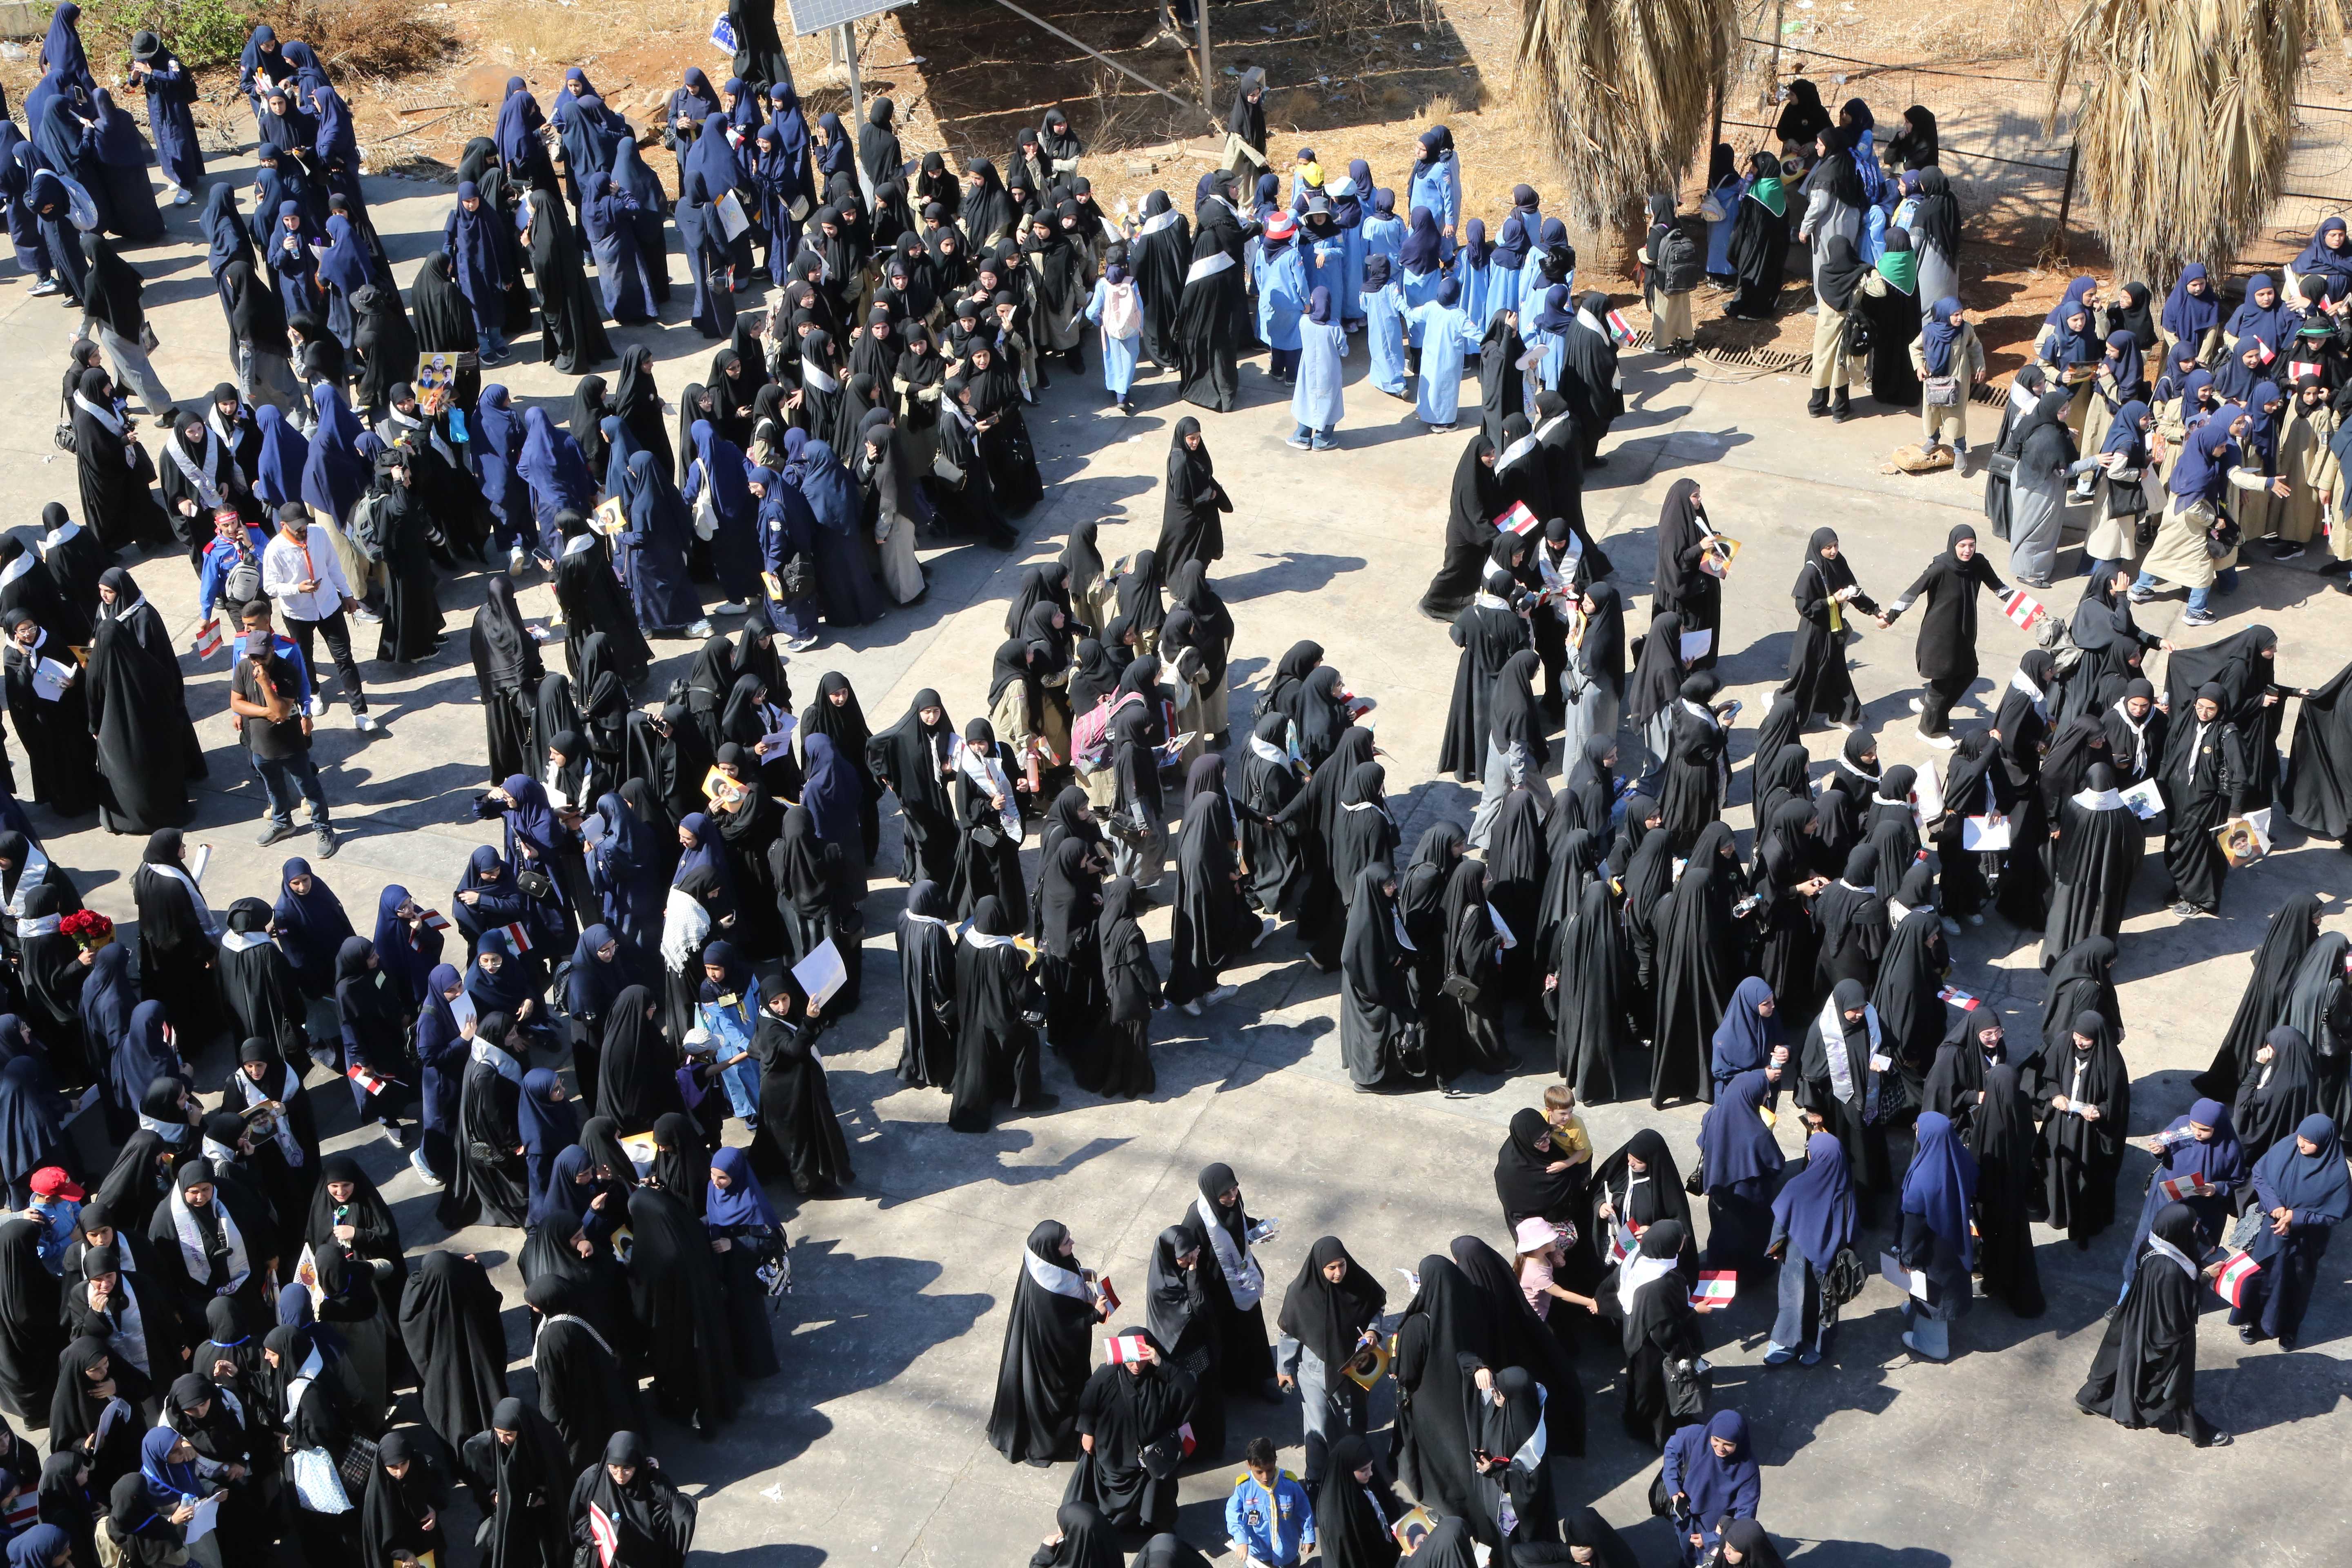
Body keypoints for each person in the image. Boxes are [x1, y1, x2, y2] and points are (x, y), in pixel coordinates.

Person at [2075, 1203, 2230, 1447]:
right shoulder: (2170, 1271)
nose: (2196, 1230)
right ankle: (2187, 1426)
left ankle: (2095, 1398)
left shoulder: (2152, 1243)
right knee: (2175, 1379)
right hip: (2162, 1330)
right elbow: (2180, 1309)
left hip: (2138, 1315)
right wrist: (2205, 1277)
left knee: (2123, 1359)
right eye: (2192, 1227)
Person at [2231, 1113, 2348, 1351]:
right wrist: (2274, 1205)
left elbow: (2337, 1213)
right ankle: (2251, 1320)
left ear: (2325, 1143)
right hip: (2271, 1232)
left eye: (2309, 1141)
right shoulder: (2287, 1147)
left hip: (2305, 1241)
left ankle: (2287, 1328)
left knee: (2295, 1283)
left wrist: (2298, 1217)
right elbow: (2260, 1174)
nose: (2301, 1144)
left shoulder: (2336, 1174)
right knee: (2260, 1275)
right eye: (2300, 1137)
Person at [991, 1221, 1104, 1466]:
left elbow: (1065, 1274)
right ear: (1053, 1249)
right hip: (1051, 1360)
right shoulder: (1045, 1293)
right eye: (1066, 1242)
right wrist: (1095, 1315)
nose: (1072, 1243)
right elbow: (1061, 1331)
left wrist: (1081, 1275)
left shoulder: (1044, 1262)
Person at [1274, 1236, 1384, 1486]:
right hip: (1315, 1373)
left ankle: (1354, 1471)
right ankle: (1316, 1477)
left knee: (1352, 1422)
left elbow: (1376, 1308)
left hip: (1353, 1369)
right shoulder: (1301, 1294)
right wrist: (1285, 1368)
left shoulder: (1358, 1283)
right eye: (1331, 1268)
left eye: (1342, 1265)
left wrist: (1373, 1331)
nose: (1338, 1273)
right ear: (1319, 1267)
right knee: (1319, 1427)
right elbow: (1289, 1332)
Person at [228, 610, 336, 855]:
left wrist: (265, 684)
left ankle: (323, 828)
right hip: (260, 743)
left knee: (309, 788)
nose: (256, 662)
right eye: (252, 656)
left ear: (272, 650)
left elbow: (281, 711)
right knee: (273, 787)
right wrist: (265, 713)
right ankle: (282, 822)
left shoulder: (288, 671)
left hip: (290, 745)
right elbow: (236, 703)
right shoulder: (244, 667)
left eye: (261, 656)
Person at [568, 1433, 697, 1568]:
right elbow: (578, 1516)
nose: (620, 1476)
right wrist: (591, 1538)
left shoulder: (648, 1483)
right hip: (605, 1560)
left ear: (638, 1464)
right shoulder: (593, 1479)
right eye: (614, 1468)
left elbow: (683, 1511)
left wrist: (654, 1478)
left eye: (627, 1469)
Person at [1658, 1410, 1759, 1565]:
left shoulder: (1748, 1469)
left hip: (1714, 1528)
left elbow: (1745, 1514)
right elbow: (1672, 1449)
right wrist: (1673, 1486)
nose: (1720, 1448)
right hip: (1684, 1515)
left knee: (1706, 1561)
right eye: (1716, 1440)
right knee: (1686, 1552)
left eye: (1729, 1444)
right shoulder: (1696, 1436)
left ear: (1739, 1443)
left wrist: (1713, 1538)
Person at [1226, 1436, 1316, 1568]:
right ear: (1249, 1465)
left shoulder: (1289, 1484)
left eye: (1269, 1470)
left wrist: (1308, 1535)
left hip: (1286, 1552)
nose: (1266, 1477)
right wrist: (1241, 1539)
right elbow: (1232, 1513)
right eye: (1259, 1472)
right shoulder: (1244, 1487)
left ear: (1275, 1461)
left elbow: (1304, 1510)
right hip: (1257, 1553)